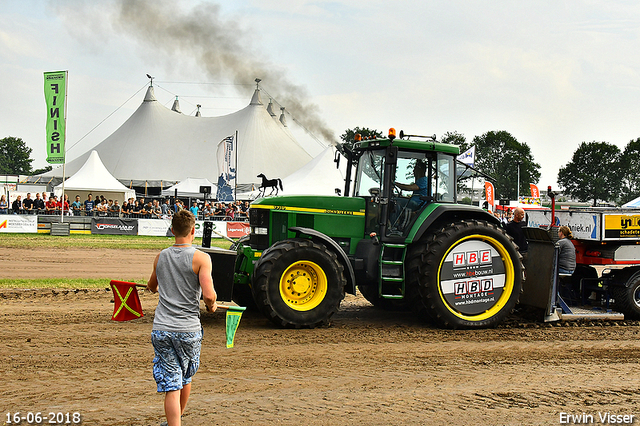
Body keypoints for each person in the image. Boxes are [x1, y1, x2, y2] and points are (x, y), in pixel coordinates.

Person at [146, 210, 217, 426]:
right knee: (185, 379)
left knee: (172, 384)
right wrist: (211, 306)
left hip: (162, 328)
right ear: (193, 231)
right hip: (188, 329)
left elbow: (151, 287)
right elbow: (209, 294)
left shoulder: (160, 256)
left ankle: (173, 422)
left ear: (172, 230)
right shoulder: (201, 258)